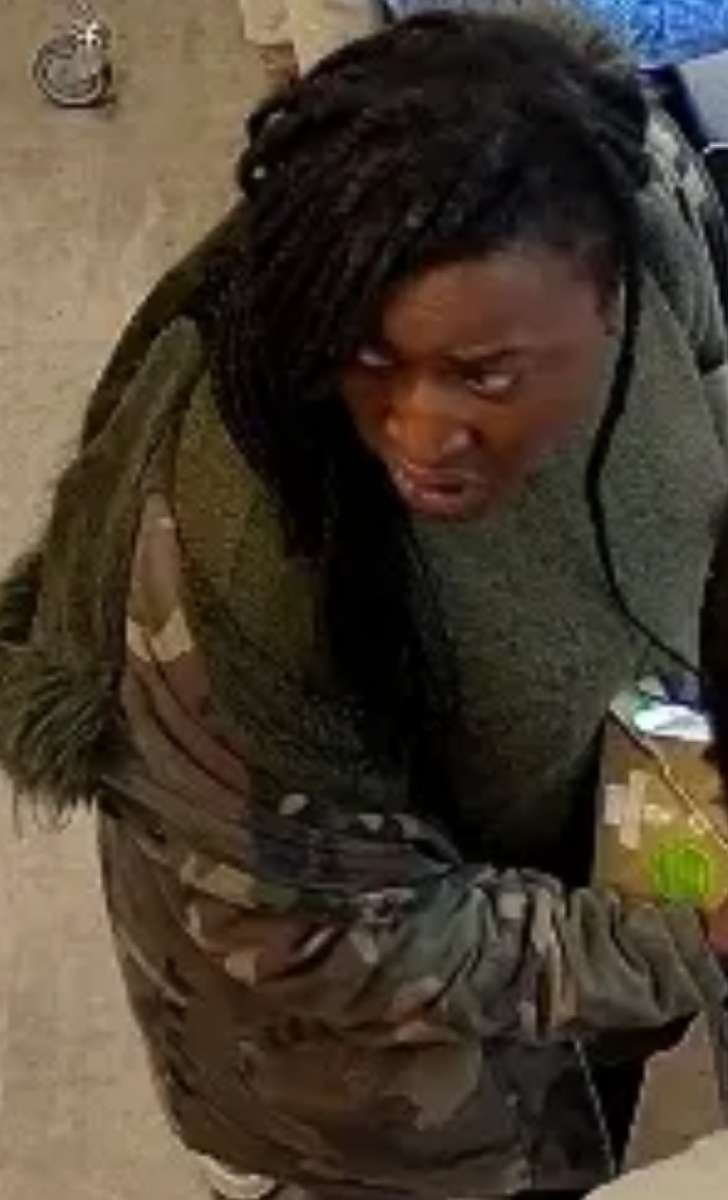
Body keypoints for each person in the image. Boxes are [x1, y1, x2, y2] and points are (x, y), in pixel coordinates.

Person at [2, 7, 728, 1199]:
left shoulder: (629, 198)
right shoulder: (233, 573)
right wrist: (673, 937)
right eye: (371, 361)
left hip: (601, 801)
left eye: (482, 375)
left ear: (603, 302)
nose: (415, 434)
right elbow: (345, 938)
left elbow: (706, 377)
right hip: (380, 1064)